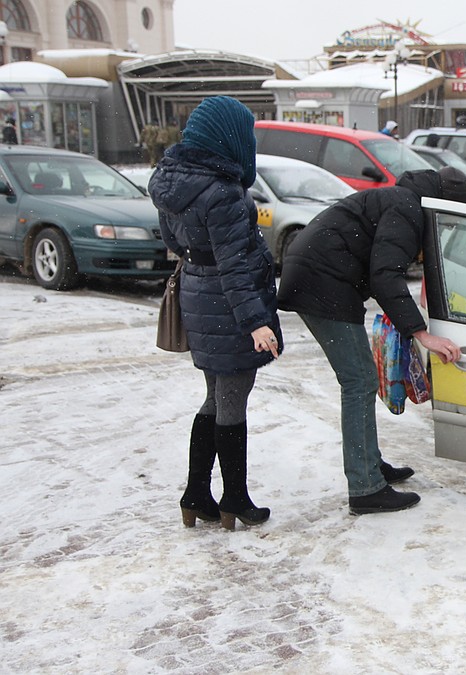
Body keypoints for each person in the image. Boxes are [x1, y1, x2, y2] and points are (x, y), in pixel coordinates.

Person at [276, 166, 466, 515]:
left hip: (319, 277)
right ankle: (365, 487)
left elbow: (380, 266)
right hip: (321, 284)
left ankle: (370, 464)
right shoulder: (408, 209)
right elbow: (386, 274)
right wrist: (420, 332)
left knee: (361, 379)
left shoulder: (404, 201)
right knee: (359, 381)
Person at [148, 96, 283, 532]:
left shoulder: (172, 179)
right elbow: (234, 264)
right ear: (228, 136)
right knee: (232, 400)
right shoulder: (221, 191)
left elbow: (180, 244)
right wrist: (255, 322)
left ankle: (197, 494)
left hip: (198, 295)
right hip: (228, 306)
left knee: (215, 397)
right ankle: (234, 500)